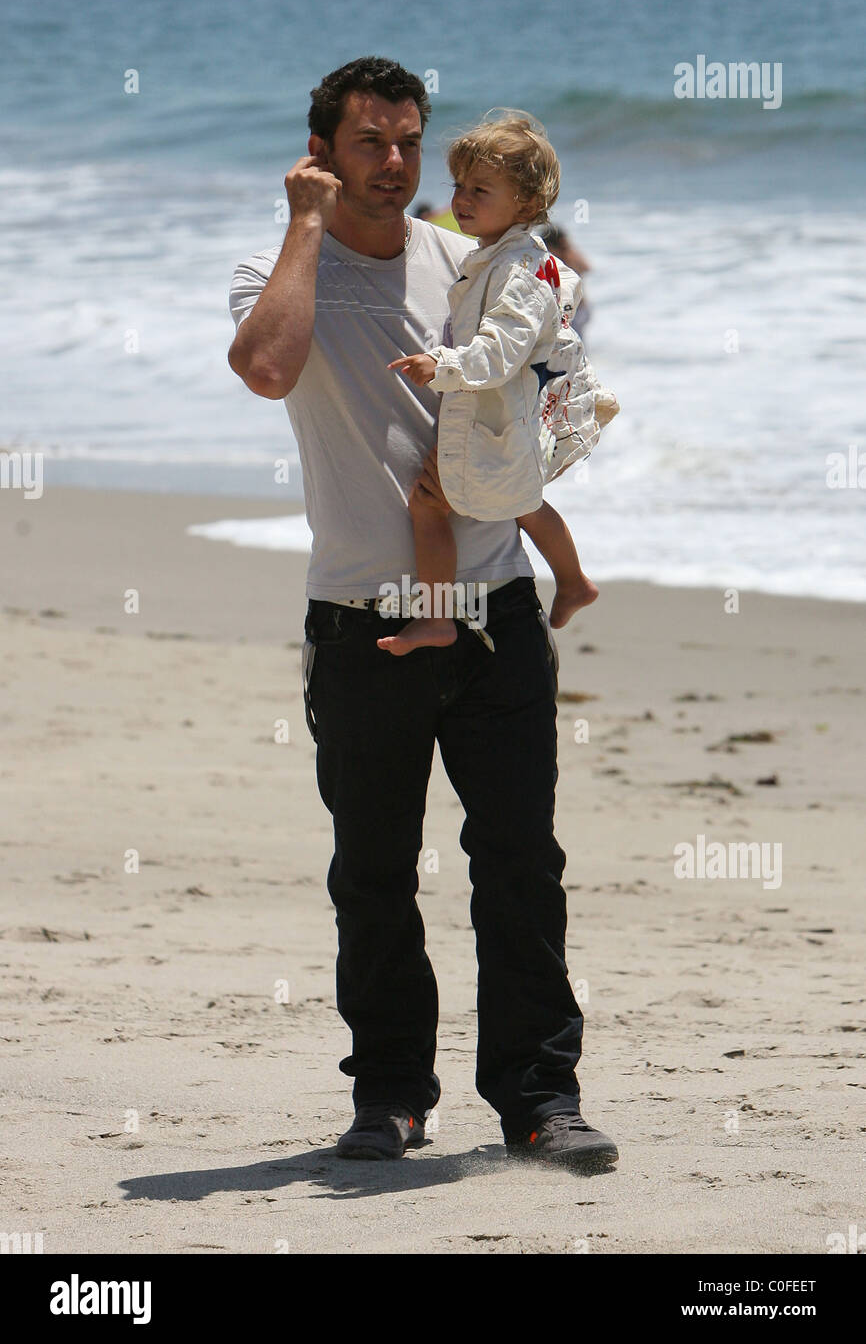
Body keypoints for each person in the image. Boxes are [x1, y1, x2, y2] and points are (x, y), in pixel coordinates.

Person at [228, 57, 618, 1171]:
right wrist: (305, 225)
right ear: (320, 152)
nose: (395, 164)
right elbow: (265, 368)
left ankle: (539, 1097)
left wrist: (529, 458)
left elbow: (553, 365)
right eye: (368, 142)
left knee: (517, 861)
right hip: (360, 619)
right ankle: (392, 1095)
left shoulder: (469, 258)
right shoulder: (274, 270)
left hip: (489, 613)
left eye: (408, 141)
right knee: (372, 871)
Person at [380, 111, 613, 657]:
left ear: (527, 205)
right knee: (524, 501)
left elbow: (500, 352)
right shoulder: (501, 258)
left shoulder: (518, 271)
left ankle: (437, 619)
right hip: (506, 418)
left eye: (480, 189)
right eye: (458, 186)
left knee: (429, 505)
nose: (461, 199)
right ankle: (574, 581)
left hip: (491, 417)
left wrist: (440, 366)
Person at [542, 223, 593, 338]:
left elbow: (587, 268)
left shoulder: (564, 259)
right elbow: (587, 268)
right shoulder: (570, 257)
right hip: (579, 309)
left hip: (576, 310)